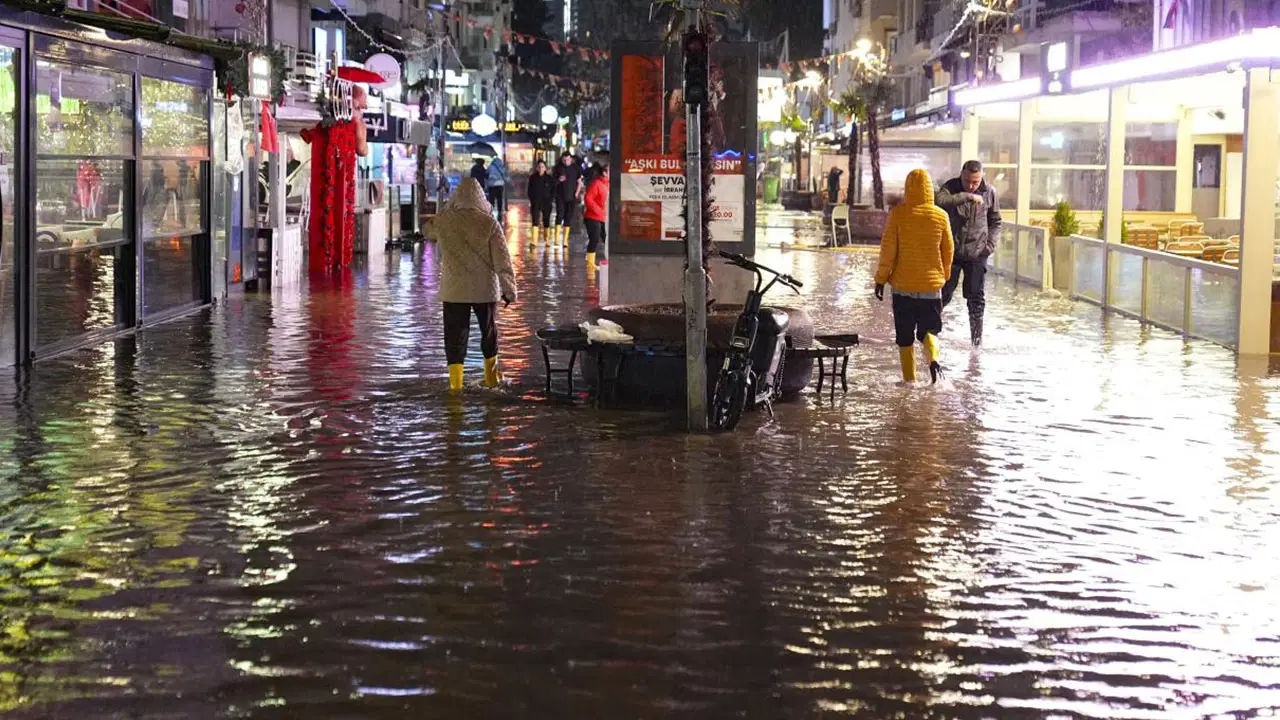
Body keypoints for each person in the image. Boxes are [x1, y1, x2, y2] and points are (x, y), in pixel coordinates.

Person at [432, 178, 517, 392]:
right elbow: (503, 261)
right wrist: (509, 290)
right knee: (488, 332)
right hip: (485, 289)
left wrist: (446, 209)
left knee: (454, 336)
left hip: (454, 291)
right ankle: (491, 380)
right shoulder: (489, 224)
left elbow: (426, 231)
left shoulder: (443, 222)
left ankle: (456, 386)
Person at [874, 168, 954, 385]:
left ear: (907, 188)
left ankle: (909, 382)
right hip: (931, 287)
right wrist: (944, 275)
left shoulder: (898, 215)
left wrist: (880, 279)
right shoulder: (941, 216)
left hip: (902, 288)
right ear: (930, 189)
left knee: (905, 336)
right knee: (930, 330)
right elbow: (948, 251)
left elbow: (888, 251)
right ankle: (933, 359)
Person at [936, 159, 1002, 346]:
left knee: (976, 298)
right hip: (952, 252)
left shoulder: (990, 192)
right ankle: (930, 335)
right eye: (967, 181)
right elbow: (940, 202)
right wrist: (967, 196)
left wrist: (989, 246)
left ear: (981, 177)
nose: (971, 186)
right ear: (961, 175)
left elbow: (995, 221)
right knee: (943, 294)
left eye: (975, 182)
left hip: (977, 253)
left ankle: (976, 342)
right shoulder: (950, 187)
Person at [552, 152, 583, 247]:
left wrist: (577, 193)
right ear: (562, 160)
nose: (566, 162)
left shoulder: (575, 168)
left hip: (571, 197)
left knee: (568, 217)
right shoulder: (557, 168)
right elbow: (552, 182)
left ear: (571, 159)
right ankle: (556, 239)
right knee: (559, 215)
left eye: (568, 160)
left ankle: (565, 240)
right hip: (560, 196)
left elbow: (579, 182)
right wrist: (558, 180)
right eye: (564, 160)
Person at [583, 165, 609, 271]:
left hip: (604, 218)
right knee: (594, 238)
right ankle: (590, 264)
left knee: (606, 239)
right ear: (604, 173)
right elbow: (588, 198)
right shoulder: (596, 184)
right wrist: (598, 211)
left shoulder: (608, 185)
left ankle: (610, 261)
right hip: (592, 217)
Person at [526, 158, 556, 248]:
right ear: (536, 168)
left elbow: (553, 191)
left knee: (546, 221)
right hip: (535, 203)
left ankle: (547, 240)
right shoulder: (533, 178)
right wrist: (532, 200)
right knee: (535, 221)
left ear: (545, 168)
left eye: (542, 167)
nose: (541, 168)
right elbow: (529, 190)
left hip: (546, 203)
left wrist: (550, 200)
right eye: (539, 167)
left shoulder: (549, 178)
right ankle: (534, 241)